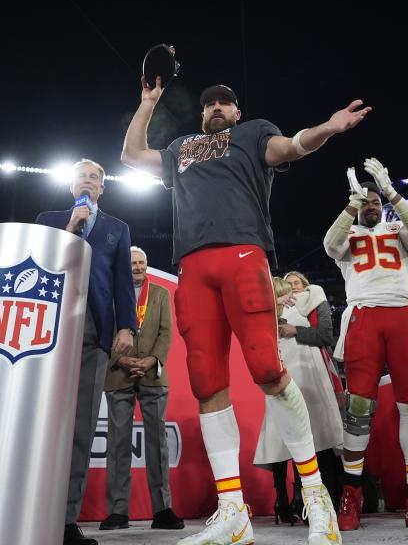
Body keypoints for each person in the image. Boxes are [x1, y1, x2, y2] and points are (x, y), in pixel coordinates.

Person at [122, 69, 368, 545]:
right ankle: (233, 510)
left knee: (267, 370)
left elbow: (293, 146)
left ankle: (316, 497)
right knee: (207, 382)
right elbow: (131, 155)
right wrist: (149, 102)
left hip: (243, 255)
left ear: (237, 112)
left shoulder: (254, 134)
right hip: (192, 265)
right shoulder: (180, 149)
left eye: (225, 102)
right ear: (202, 113)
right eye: (209, 103)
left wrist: (329, 128)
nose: (216, 107)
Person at [324, 158, 408, 532]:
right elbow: (330, 245)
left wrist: (392, 192)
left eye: (373, 201)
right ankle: (352, 493)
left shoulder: (397, 228)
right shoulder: (348, 234)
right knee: (358, 409)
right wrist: (351, 202)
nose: (370, 205)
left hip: (402, 315)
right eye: (364, 201)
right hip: (364, 316)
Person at [36, 160, 135, 545]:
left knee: (79, 427)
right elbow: (41, 262)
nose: (88, 181)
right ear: (70, 185)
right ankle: (31, 510)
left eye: (95, 176)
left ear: (103, 187)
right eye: (81, 176)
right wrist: (69, 230)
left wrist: (125, 325)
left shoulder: (118, 228)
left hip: (94, 332)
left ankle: (64, 520)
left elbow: (123, 283)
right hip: (48, 328)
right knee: (42, 423)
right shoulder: (48, 218)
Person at [100, 246, 184, 533]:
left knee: (157, 443)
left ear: (147, 265)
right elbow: (104, 328)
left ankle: (162, 510)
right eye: (133, 263)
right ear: (125, 265)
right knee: (118, 445)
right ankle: (117, 512)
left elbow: (166, 332)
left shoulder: (160, 293)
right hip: (118, 374)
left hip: (152, 374)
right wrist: (120, 358)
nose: (137, 267)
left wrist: (151, 360)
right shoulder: (111, 291)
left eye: (141, 262)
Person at [254, 272, 342, 525]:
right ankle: (288, 499)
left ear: (306, 286)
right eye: (286, 286)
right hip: (284, 375)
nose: (292, 291)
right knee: (284, 441)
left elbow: (324, 335)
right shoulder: (270, 315)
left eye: (296, 284)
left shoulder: (310, 301)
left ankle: (305, 500)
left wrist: (296, 330)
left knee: (313, 441)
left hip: (308, 376)